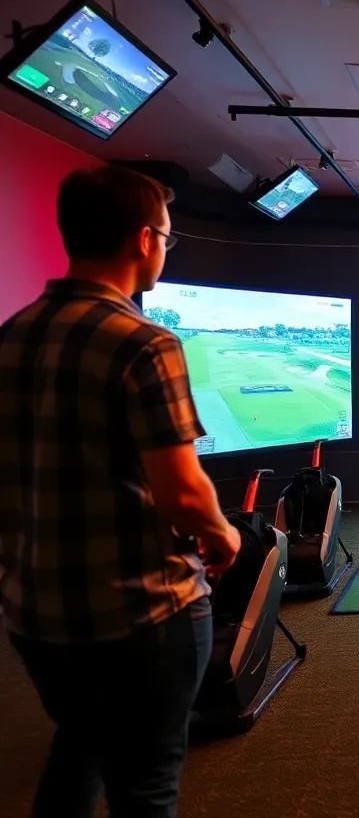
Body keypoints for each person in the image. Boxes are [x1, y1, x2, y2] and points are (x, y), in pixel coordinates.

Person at [0, 166, 241, 817]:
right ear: (143, 239)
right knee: (145, 784)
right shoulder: (145, 342)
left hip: (35, 614)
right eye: (167, 236)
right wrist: (224, 534)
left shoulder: (12, 333)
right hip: (139, 615)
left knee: (77, 748)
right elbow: (184, 497)